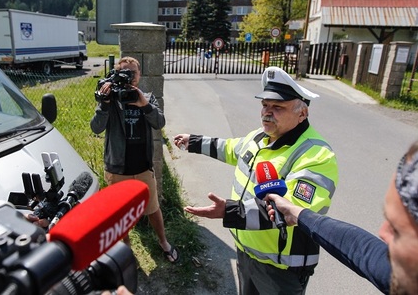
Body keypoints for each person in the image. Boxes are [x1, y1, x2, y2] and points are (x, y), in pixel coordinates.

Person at [174, 66, 339, 294]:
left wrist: (229, 212)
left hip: (281, 268)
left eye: (278, 107)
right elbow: (230, 149)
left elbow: (291, 210)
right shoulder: (260, 136)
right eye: (264, 105)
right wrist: (193, 141)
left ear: (302, 113)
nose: (267, 112)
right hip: (247, 252)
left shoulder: (316, 155)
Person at [266, 140, 418, 295]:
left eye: (397, 231)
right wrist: (296, 213)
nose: (382, 233)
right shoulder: (405, 269)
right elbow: (360, 249)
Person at [90, 56, 179, 263]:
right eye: (125, 72)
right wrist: (104, 104)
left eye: (133, 72)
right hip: (117, 167)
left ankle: (163, 241)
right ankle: (126, 248)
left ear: (139, 75)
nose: (129, 77)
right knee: (120, 213)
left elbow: (159, 122)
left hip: (143, 166)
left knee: (153, 208)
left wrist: (144, 104)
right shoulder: (112, 99)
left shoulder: (147, 96)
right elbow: (96, 128)